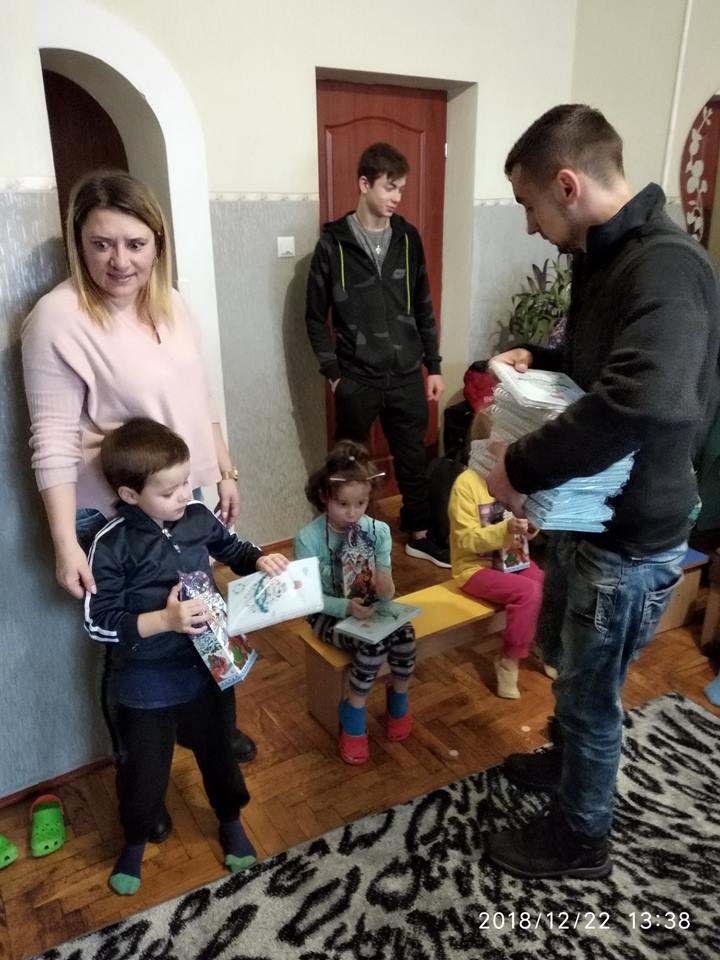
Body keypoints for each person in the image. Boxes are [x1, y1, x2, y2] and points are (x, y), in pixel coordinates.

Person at [484, 104, 720, 879]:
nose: (530, 225)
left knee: (592, 696)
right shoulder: (605, 256)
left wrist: (520, 468)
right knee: (572, 667)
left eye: (529, 205)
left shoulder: (667, 268)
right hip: (591, 518)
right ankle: (566, 764)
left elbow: (638, 399)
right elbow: (604, 362)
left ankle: (581, 838)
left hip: (629, 537)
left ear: (567, 184)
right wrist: (543, 354)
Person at [21, 170, 256, 820]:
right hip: (114, 517)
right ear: (79, 244)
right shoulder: (58, 319)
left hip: (184, 498)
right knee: (133, 645)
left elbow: (200, 395)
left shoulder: (172, 303)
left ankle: (209, 729)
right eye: (101, 244)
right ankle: (141, 777)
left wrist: (224, 469)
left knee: (198, 614)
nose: (119, 261)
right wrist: (65, 541)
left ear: (158, 242)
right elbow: (52, 439)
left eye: (134, 244)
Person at [84, 418, 288, 895]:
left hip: (208, 667)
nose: (184, 496)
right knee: (143, 769)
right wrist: (165, 620)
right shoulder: (111, 543)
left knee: (219, 750)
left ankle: (230, 819)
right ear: (130, 494)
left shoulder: (195, 515)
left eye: (186, 482)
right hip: (146, 680)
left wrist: (259, 559)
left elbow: (233, 547)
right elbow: (99, 621)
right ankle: (135, 841)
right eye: (169, 490)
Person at [305, 142, 449, 568]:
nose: (397, 197)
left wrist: (434, 366)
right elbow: (314, 317)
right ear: (364, 183)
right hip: (357, 377)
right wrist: (334, 373)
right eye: (390, 187)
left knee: (413, 458)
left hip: (406, 373)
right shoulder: (333, 245)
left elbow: (423, 304)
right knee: (348, 464)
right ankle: (343, 539)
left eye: (401, 189)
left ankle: (419, 533)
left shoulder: (407, 238)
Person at [294, 440, 416, 764]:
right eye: (343, 504)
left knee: (406, 635)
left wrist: (386, 585)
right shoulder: (308, 539)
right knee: (374, 646)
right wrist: (345, 607)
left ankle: (399, 699)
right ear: (325, 496)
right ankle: (354, 709)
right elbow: (307, 599)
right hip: (327, 614)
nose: (352, 513)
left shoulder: (378, 531)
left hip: (370, 607)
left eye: (360, 503)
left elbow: (386, 587)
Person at [448, 411, 546, 699]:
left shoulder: (513, 481)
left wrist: (530, 528)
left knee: (545, 583)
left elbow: (524, 526)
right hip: (473, 568)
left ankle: (541, 644)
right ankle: (509, 660)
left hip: (510, 559)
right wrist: (506, 529)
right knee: (529, 592)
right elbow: (465, 540)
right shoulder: (466, 484)